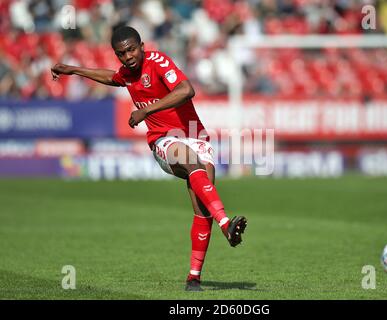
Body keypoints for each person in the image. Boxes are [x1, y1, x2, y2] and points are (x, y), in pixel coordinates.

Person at [51, 26, 247, 292]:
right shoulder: (127, 73)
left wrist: (146, 111)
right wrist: (75, 69)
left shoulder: (157, 61)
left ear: (142, 46)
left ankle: (193, 278)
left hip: (196, 136)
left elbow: (186, 90)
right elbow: (112, 78)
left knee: (203, 210)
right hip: (164, 140)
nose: (128, 56)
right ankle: (227, 225)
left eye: (131, 49)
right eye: (121, 53)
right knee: (190, 162)